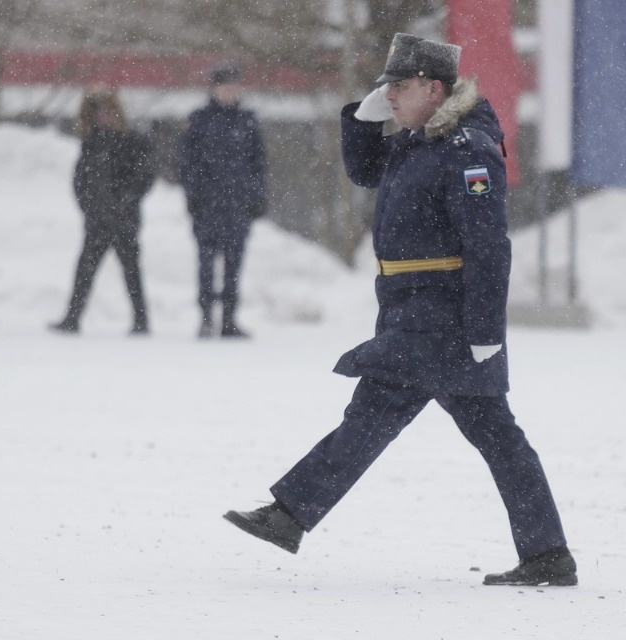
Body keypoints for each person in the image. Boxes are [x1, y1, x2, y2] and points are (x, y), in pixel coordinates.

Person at [223, 34, 577, 587]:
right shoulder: (421, 141)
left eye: (400, 86)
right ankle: (548, 553)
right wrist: (364, 120)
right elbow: (366, 171)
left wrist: (485, 330)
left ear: (434, 90)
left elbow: (488, 247)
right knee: (489, 434)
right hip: (411, 310)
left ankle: (289, 515)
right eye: (386, 86)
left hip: (441, 317)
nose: (389, 94)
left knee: (375, 416)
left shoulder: (466, 148)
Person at [50, 87, 156, 335]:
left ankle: (141, 320)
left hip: (124, 219)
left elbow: (144, 177)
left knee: (131, 271)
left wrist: (126, 202)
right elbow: (80, 181)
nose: (102, 118)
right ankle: (73, 317)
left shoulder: (131, 142)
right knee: (85, 270)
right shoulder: (91, 144)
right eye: (97, 113)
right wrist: (89, 208)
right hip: (97, 220)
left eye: (107, 112)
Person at [177, 63, 267, 338]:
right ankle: (206, 318)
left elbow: (258, 164)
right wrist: (193, 196)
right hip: (208, 206)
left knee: (234, 265)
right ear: (214, 88)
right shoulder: (199, 121)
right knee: (206, 264)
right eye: (224, 86)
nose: (230, 91)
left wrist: (257, 197)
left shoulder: (247, 121)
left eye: (234, 85)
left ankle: (229, 318)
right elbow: (186, 163)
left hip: (238, 206)